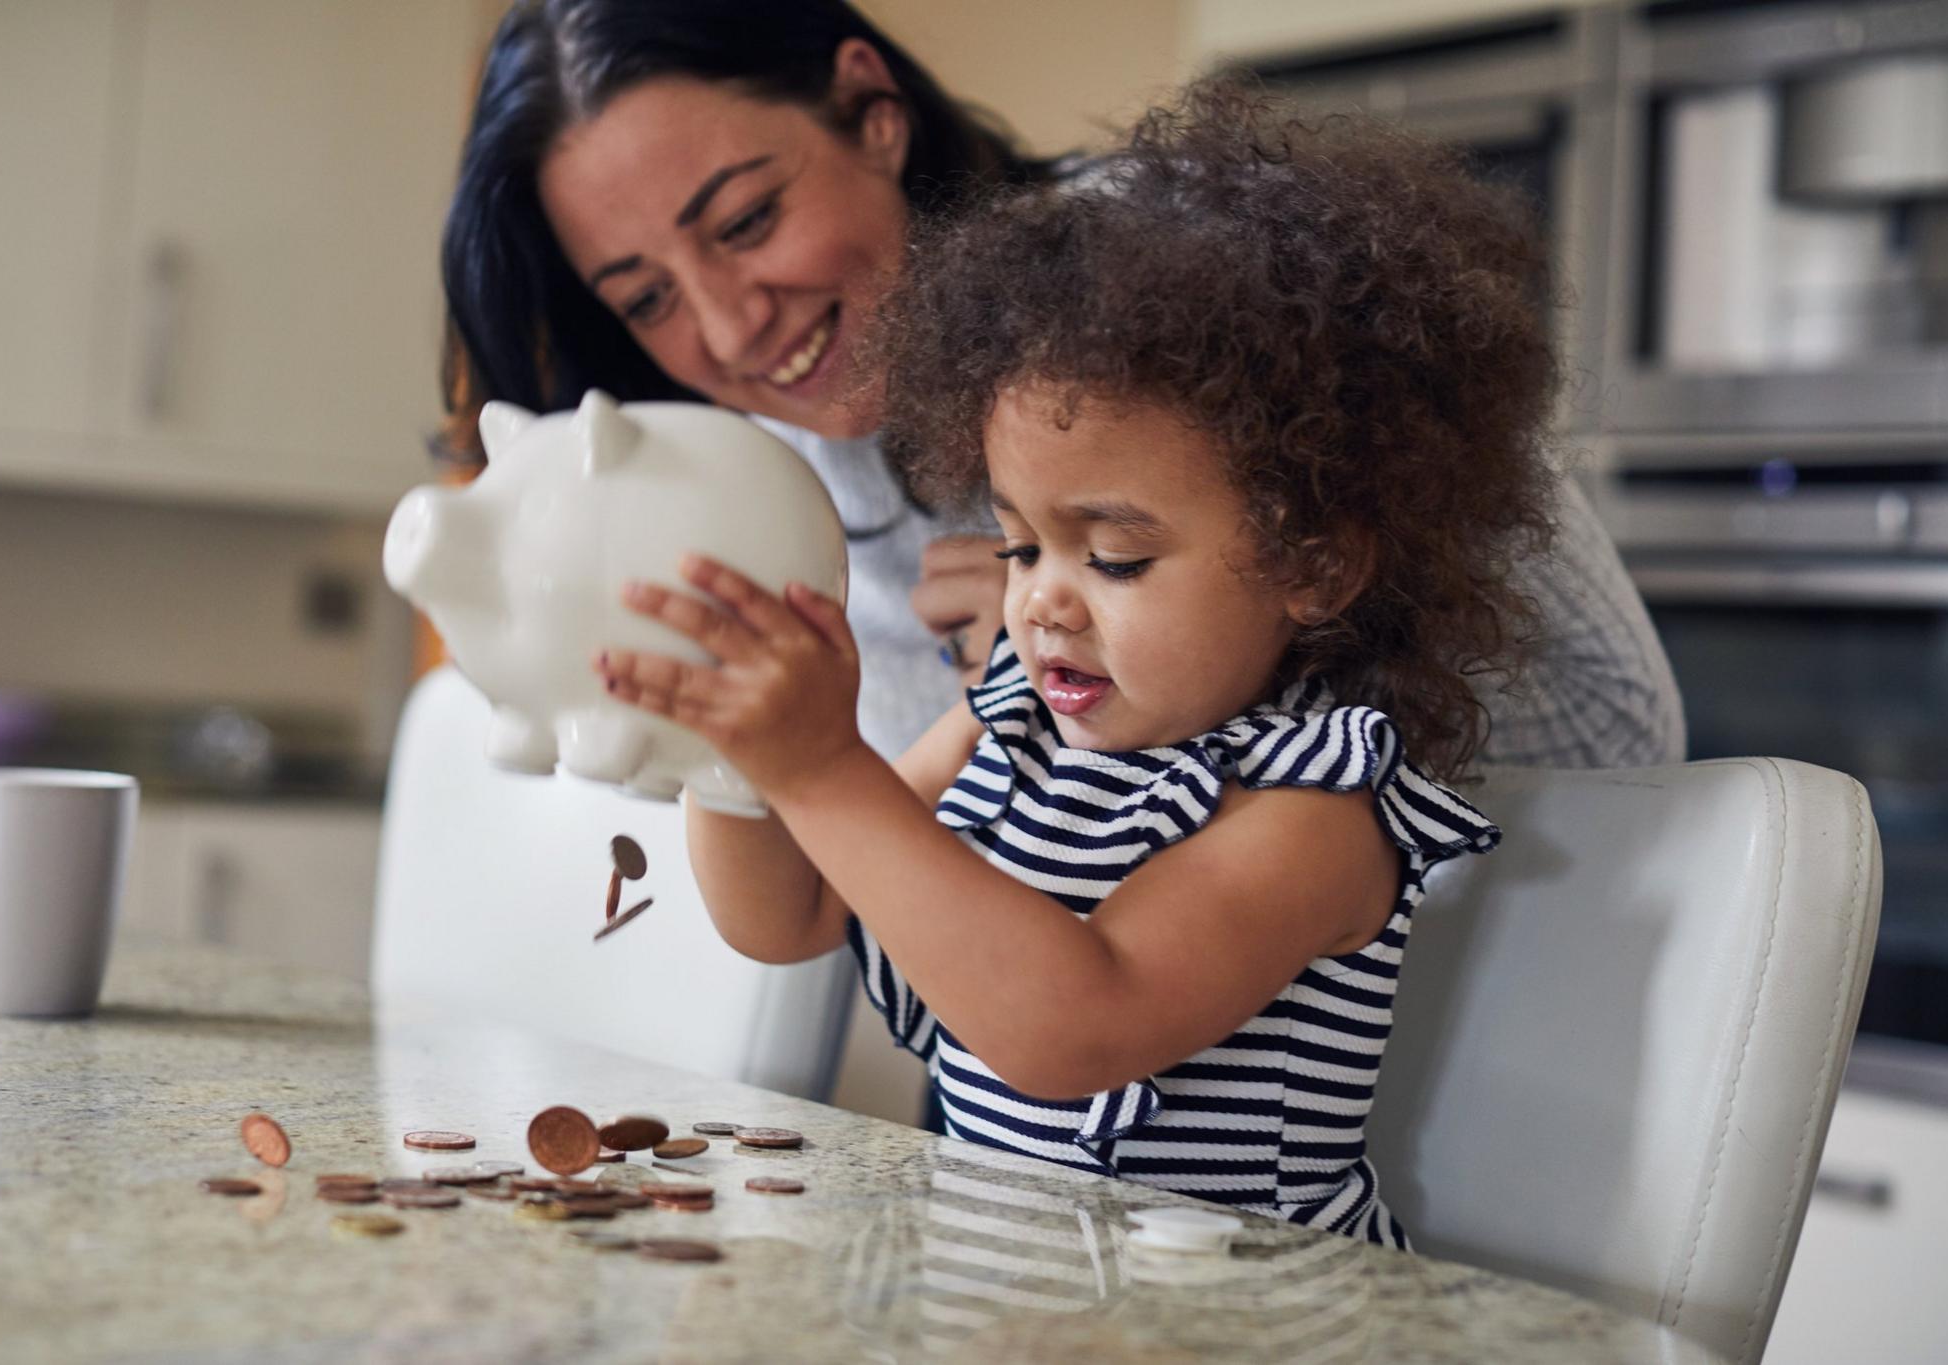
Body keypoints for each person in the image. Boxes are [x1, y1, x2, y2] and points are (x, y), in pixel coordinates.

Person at [589, 83, 1561, 1247]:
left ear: (1313, 564)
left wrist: (823, 768)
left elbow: (1074, 1027)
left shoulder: (1311, 809)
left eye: (1113, 557)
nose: (1039, 598)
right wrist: (736, 756)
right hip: (1019, 1298)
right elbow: (788, 912)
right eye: (1017, 543)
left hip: (1248, 1324)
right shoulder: (1008, 721)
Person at [439, 0, 1685, 769]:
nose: (726, 323)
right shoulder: (789, 471)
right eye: (645, 296)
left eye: (748, 217)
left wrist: (1162, 657)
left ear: (870, 110)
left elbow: (1611, 728)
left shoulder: (1185, 289)